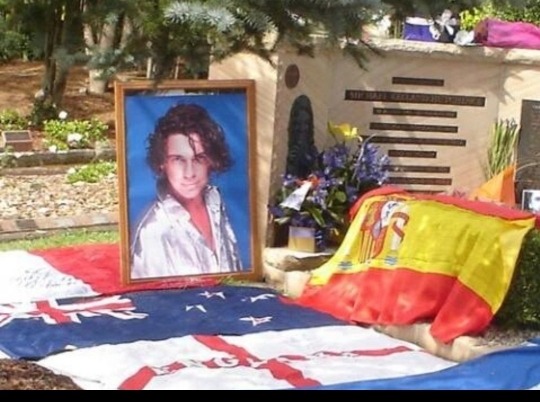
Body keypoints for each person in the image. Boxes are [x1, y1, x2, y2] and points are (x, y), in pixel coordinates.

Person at [130, 103, 243, 279]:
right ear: (162, 164)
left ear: (211, 161)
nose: (189, 173)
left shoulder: (215, 206)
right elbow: (153, 293)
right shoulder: (154, 230)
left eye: (199, 158)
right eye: (178, 159)